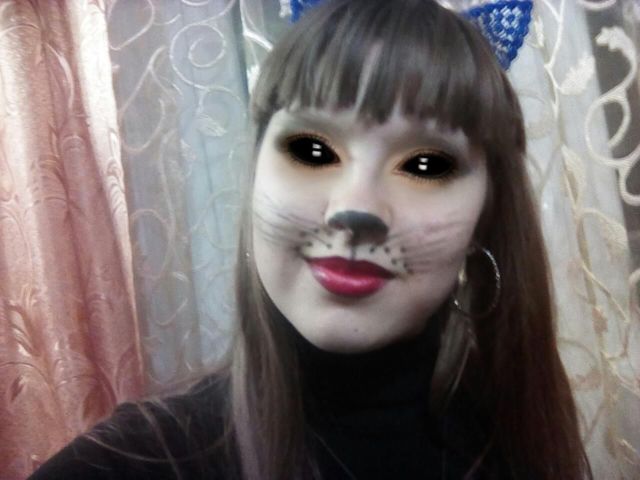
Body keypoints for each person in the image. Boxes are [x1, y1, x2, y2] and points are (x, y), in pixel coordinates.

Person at [29, 0, 593, 479]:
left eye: (424, 165)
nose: (356, 208)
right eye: (312, 150)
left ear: (485, 218)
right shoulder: (130, 464)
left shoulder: (518, 441)